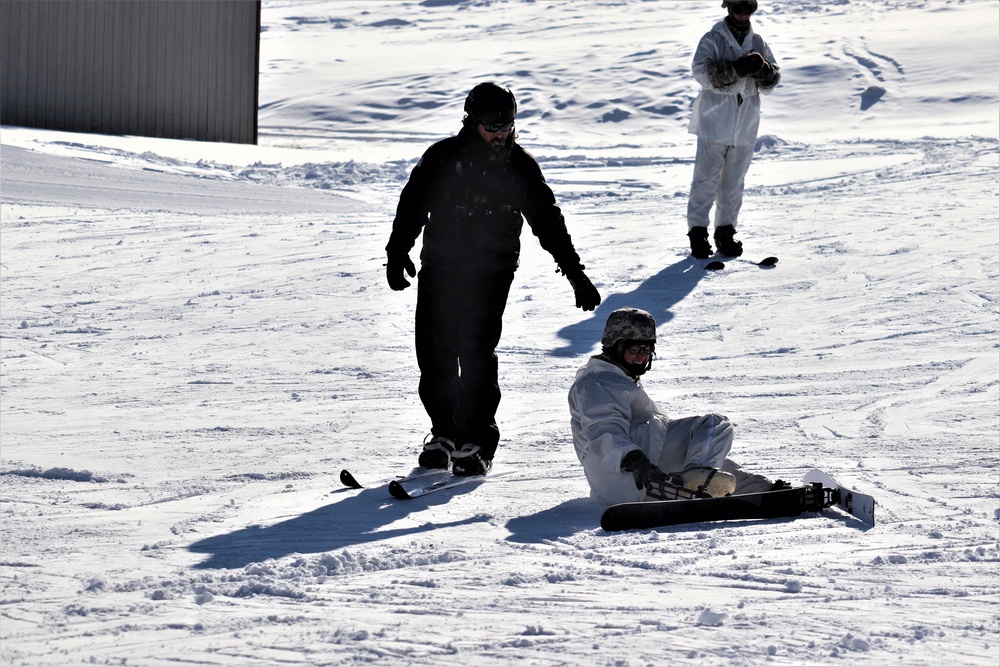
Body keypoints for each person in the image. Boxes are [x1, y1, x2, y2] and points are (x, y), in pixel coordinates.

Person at [386, 82, 601, 477]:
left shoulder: (520, 167)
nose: (500, 134)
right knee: (434, 355)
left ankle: (477, 442)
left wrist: (575, 272)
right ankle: (444, 434)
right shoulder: (442, 158)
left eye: (507, 126)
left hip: (491, 272)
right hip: (441, 269)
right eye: (492, 127)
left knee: (474, 353)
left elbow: (548, 222)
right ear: (471, 121)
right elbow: (412, 203)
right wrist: (396, 251)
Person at [568, 307, 780, 505]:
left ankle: (769, 494)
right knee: (714, 425)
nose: (642, 356)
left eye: (647, 349)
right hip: (629, 471)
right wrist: (634, 459)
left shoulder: (614, 379)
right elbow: (604, 429)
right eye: (634, 348)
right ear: (615, 346)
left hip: (639, 477)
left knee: (713, 462)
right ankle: (696, 482)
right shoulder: (596, 383)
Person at [686, 0, 781, 259]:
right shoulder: (713, 39)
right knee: (705, 180)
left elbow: (772, 81)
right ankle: (697, 233)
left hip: (745, 124)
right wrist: (736, 69)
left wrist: (764, 71)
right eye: (737, 8)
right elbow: (700, 72)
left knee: (734, 182)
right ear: (728, 8)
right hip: (715, 123)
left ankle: (725, 232)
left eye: (747, 9)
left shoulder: (758, 42)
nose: (742, 14)